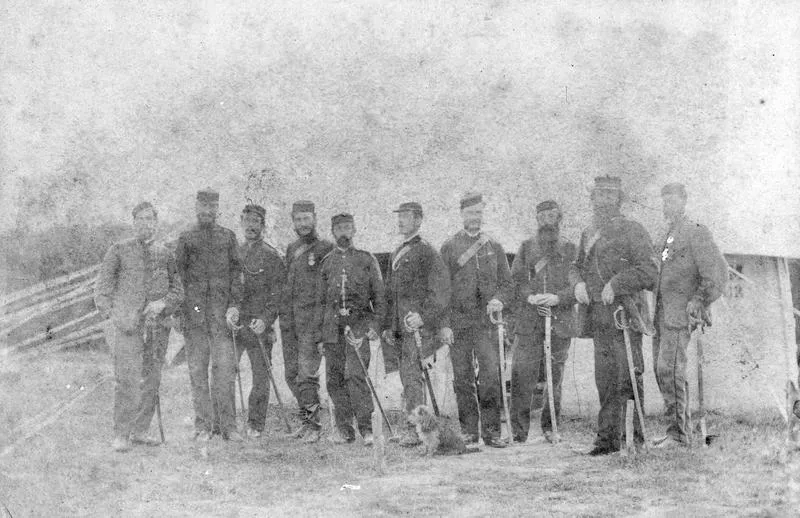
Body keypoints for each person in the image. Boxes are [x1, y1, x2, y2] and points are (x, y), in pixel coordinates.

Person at [570, 176, 658, 456]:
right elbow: (575, 268)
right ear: (593, 199)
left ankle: (635, 437)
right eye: (599, 195)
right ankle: (606, 440)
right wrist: (578, 284)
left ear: (619, 199)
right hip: (599, 316)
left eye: (610, 195)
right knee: (604, 379)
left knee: (629, 375)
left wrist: (616, 283)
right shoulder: (588, 233)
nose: (604, 200)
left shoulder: (633, 230)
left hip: (625, 313)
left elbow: (649, 271)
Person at [95, 201, 184, 452]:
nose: (147, 224)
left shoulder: (165, 254)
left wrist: (162, 304)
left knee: (152, 379)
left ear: (157, 223)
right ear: (133, 222)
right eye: (142, 219)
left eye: (151, 219)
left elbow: (178, 290)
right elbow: (102, 290)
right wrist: (114, 316)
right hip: (128, 327)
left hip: (157, 327)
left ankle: (140, 430)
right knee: (127, 380)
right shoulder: (119, 250)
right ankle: (121, 433)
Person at [652, 183, 727, 448]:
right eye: (665, 202)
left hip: (679, 313)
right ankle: (676, 428)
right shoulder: (668, 234)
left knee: (669, 370)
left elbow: (717, 273)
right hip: (661, 314)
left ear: (684, 201)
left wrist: (699, 299)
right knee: (664, 371)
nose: (667, 207)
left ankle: (678, 436)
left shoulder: (695, 232)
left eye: (673, 201)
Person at [440, 193, 513, 448]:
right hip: (459, 323)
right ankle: (469, 431)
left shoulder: (494, 246)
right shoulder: (450, 247)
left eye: (479, 213)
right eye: (471, 213)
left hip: (486, 323)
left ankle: (492, 432)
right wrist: (445, 324)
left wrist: (499, 300)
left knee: (491, 375)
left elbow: (507, 284)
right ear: (462, 215)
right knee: (462, 378)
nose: (475, 218)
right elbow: (442, 290)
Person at [175, 188, 244, 442]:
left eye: (212, 207)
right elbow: (178, 279)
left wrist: (235, 306)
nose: (207, 211)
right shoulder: (186, 238)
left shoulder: (228, 238)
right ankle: (203, 426)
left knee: (225, 372)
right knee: (198, 373)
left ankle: (228, 427)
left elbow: (237, 277)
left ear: (217, 209)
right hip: (195, 320)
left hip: (222, 320)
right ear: (196, 207)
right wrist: (180, 314)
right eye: (203, 206)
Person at [382, 201, 451, 447]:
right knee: (406, 376)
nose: (401, 221)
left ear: (419, 220)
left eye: (407, 217)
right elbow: (391, 294)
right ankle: (414, 425)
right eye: (399, 216)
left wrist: (423, 316)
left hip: (419, 328)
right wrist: (389, 327)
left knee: (412, 377)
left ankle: (416, 430)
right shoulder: (396, 252)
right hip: (401, 328)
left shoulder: (427, 252)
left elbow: (441, 292)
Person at [315, 213, 386, 446]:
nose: (344, 232)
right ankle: (345, 430)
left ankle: (367, 429)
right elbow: (320, 303)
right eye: (339, 229)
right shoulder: (327, 263)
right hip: (332, 329)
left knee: (356, 376)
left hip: (359, 327)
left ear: (354, 230)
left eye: (347, 228)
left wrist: (374, 326)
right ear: (333, 232)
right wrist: (319, 336)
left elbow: (380, 297)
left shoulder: (366, 260)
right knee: (334, 380)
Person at [509, 200, 577, 443]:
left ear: (559, 217)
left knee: (554, 378)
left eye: (552, 215)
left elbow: (577, 284)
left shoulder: (570, 249)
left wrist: (558, 297)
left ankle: (551, 427)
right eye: (543, 215)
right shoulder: (526, 247)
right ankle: (518, 431)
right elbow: (516, 280)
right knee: (521, 374)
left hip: (559, 320)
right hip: (530, 321)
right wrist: (531, 296)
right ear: (537, 219)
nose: (548, 219)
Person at [228, 204, 286, 439]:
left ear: (262, 225)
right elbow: (229, 289)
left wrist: (265, 319)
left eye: (256, 222)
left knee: (261, 377)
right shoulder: (234, 253)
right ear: (242, 223)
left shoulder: (272, 256)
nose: (251, 226)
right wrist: (230, 311)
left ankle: (256, 424)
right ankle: (228, 424)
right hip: (236, 325)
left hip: (259, 327)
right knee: (226, 373)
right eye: (247, 221)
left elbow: (277, 295)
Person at [281, 201, 334, 443]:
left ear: (314, 218)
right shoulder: (292, 248)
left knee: (306, 375)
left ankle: (314, 426)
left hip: (312, 323)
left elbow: (327, 292)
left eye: (306, 219)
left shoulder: (326, 248)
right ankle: (306, 421)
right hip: (291, 322)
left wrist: (321, 326)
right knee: (291, 374)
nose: (302, 224)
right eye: (298, 220)